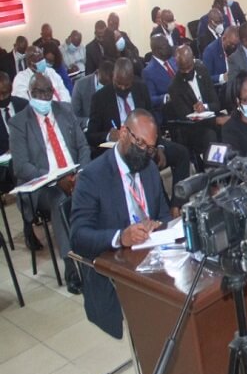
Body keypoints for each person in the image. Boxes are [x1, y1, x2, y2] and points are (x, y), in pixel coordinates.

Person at [70, 109, 171, 338]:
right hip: (117, 263)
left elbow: (163, 214)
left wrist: (157, 224)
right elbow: (78, 236)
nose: (145, 152)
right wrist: (120, 237)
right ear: (124, 133)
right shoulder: (93, 176)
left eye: (150, 148)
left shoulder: (149, 167)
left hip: (153, 256)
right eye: (140, 143)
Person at [9, 74, 91, 294]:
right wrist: (55, 179)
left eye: (47, 92)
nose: (44, 97)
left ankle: (102, 254)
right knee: (60, 200)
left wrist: (81, 173)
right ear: (30, 94)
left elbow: (83, 147)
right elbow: (21, 166)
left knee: (100, 185)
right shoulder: (19, 123)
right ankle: (71, 267)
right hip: (43, 186)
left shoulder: (65, 111)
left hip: (75, 175)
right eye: (38, 93)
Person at [91, 57, 190, 213]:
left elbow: (152, 120)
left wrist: (159, 145)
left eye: (126, 85)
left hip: (148, 142)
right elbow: (90, 135)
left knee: (182, 153)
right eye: (118, 84)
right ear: (113, 77)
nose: (122, 88)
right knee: (147, 164)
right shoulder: (100, 98)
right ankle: (162, 210)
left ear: (132, 79)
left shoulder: (141, 89)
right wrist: (108, 136)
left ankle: (177, 204)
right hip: (122, 150)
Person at [0, 71, 41, 250]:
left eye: (5, 93)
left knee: (23, 167)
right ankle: (28, 223)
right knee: (17, 168)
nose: (2, 98)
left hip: (26, 157)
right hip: (3, 165)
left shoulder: (23, 105)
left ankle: (28, 220)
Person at [167, 45, 224, 166]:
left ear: (193, 59)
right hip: (194, 130)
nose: (187, 72)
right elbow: (187, 119)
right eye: (183, 69)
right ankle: (215, 171)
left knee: (230, 125)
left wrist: (205, 107)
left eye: (189, 67)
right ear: (177, 65)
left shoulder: (202, 70)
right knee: (210, 135)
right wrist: (215, 121)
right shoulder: (174, 87)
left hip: (212, 118)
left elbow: (216, 104)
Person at [142, 35, 178, 123]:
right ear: (157, 50)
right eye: (166, 45)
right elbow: (150, 99)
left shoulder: (173, 60)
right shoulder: (148, 72)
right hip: (167, 113)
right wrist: (167, 97)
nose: (170, 47)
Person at [71, 60, 112, 130]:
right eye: (102, 83)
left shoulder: (114, 84)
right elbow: (73, 117)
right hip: (88, 129)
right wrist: (88, 122)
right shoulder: (80, 85)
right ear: (97, 72)